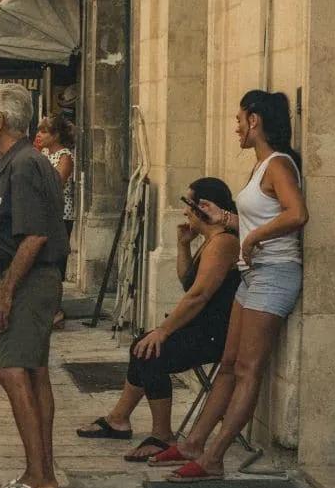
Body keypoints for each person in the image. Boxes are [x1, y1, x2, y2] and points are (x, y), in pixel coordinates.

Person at [151, 90, 308, 481]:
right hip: (254, 275)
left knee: (248, 368)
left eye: (239, 118)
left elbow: (297, 213)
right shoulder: (260, 168)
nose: (235, 126)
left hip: (274, 274)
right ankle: (193, 443)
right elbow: (260, 219)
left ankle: (215, 456)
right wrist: (226, 219)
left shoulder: (278, 164)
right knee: (228, 363)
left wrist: (253, 239)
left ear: (254, 120)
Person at [76, 178, 241, 462]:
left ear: (203, 207)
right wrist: (182, 245)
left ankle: (162, 436)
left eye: (188, 205)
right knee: (142, 346)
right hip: (202, 326)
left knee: (150, 352)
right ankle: (119, 419)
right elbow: (187, 282)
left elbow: (198, 296)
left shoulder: (224, 242)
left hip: (216, 333)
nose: (185, 213)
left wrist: (164, 331)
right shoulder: (210, 241)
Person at [0, 83, 69, 488]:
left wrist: (5, 292)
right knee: (32, 371)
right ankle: (41, 469)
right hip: (32, 276)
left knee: (12, 370)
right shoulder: (20, 162)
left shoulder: (25, 164)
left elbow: (34, 235)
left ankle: (39, 475)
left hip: (31, 278)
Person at [36, 115, 76, 326]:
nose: (38, 135)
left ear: (56, 135)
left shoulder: (65, 156)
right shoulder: (41, 154)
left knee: (56, 262)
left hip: (61, 215)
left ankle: (56, 309)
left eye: (43, 132)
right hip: (43, 214)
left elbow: (56, 184)